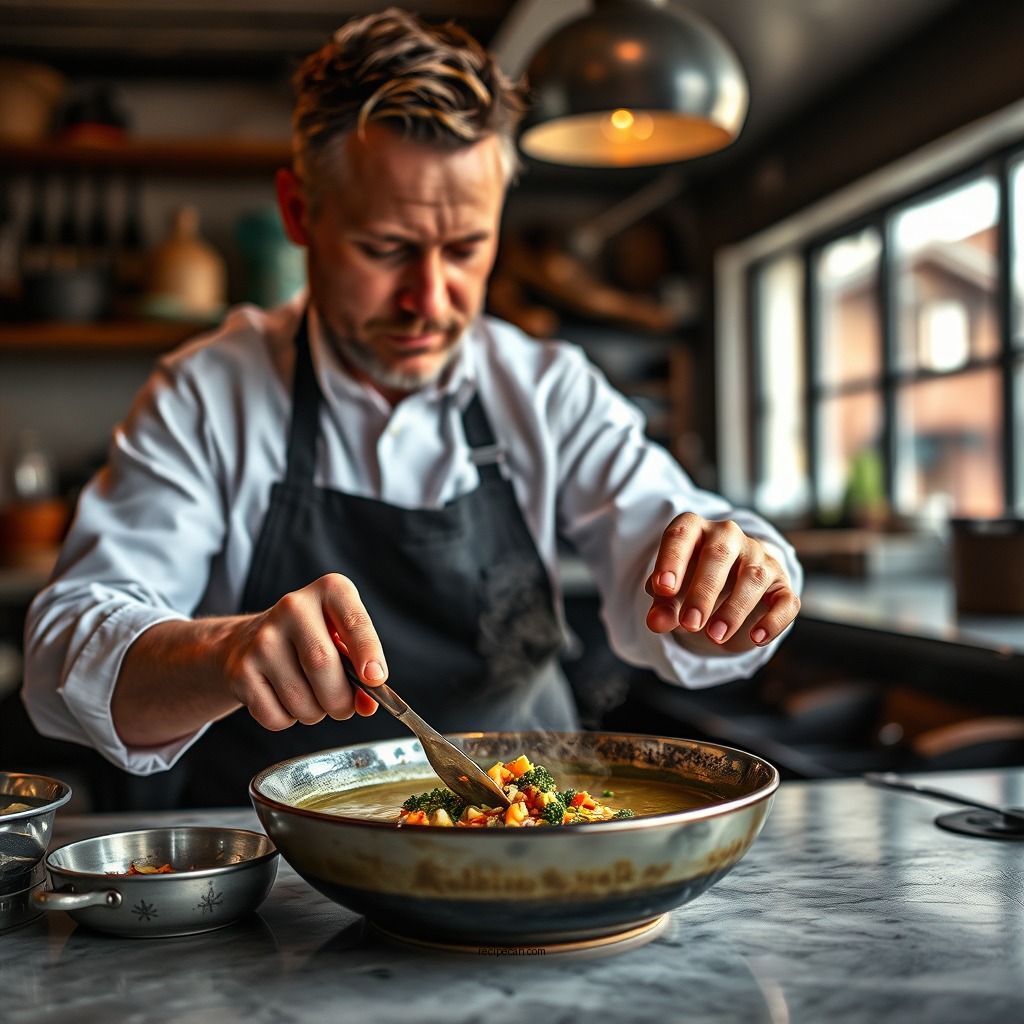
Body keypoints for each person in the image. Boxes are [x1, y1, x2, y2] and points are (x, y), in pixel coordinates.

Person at [21, 8, 802, 808]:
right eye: (385, 247)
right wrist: (230, 650)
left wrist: (732, 576)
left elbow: (670, 541)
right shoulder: (208, 391)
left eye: (465, 248)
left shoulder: (546, 388)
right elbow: (63, 656)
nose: (428, 299)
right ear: (300, 213)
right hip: (283, 879)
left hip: (529, 841)